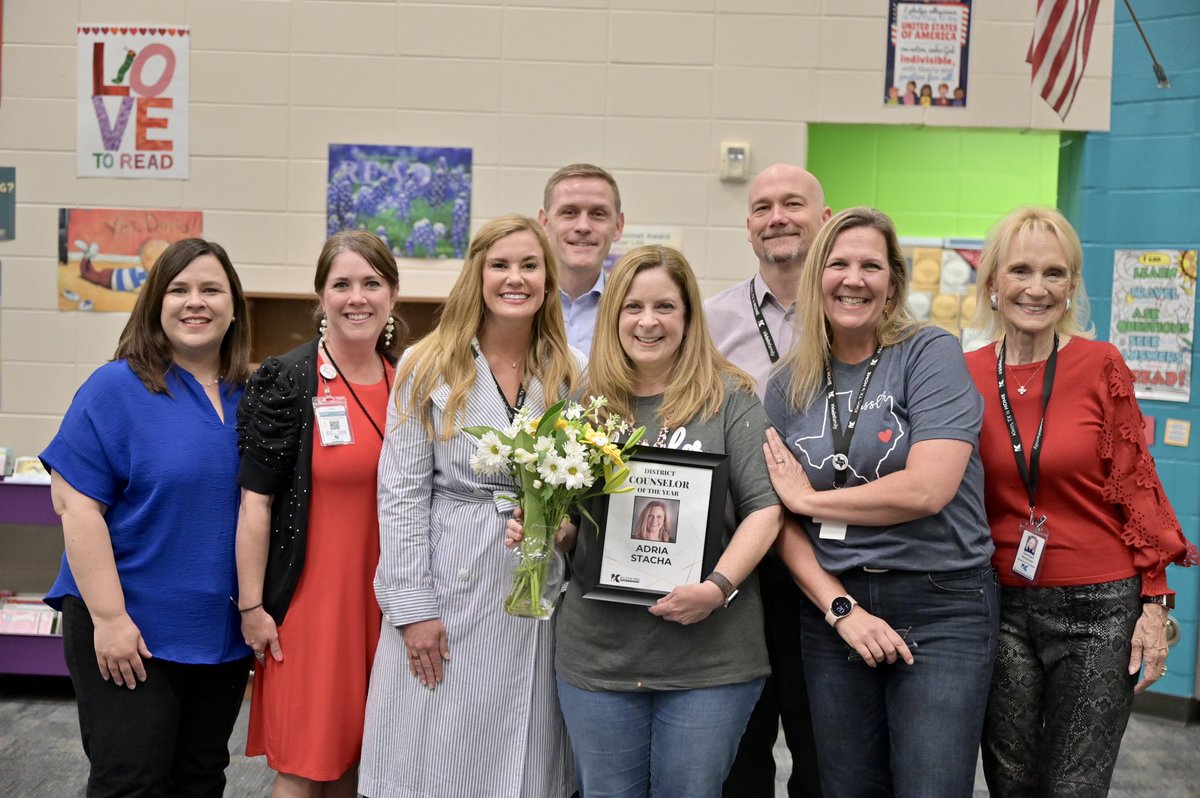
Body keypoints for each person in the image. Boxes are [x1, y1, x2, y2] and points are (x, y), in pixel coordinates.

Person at [762, 207, 998, 797]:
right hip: (834, 609)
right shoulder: (789, 383)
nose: (853, 278)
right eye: (838, 263)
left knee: (930, 786)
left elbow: (928, 488)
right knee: (844, 787)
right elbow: (779, 522)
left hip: (940, 603)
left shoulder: (928, 353)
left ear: (893, 281)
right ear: (817, 276)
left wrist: (809, 500)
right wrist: (840, 610)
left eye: (871, 265)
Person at [964, 206, 1198, 796]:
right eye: (1020, 270)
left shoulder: (1099, 364)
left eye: (1055, 273)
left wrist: (1154, 603)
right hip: (1000, 605)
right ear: (993, 281)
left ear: (1072, 287)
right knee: (1009, 781)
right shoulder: (960, 373)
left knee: (1072, 785)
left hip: (1099, 608)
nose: (1037, 288)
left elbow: (1138, 487)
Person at [358, 214, 581, 798]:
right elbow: (402, 493)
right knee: (438, 740)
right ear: (476, 276)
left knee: (525, 740)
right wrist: (412, 608)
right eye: (501, 265)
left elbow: (582, 488)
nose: (516, 278)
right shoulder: (427, 365)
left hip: (533, 587)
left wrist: (563, 527)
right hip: (448, 581)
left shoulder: (566, 370)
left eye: (530, 265)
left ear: (547, 279)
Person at [548, 244, 783, 797]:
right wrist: (548, 530)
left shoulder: (730, 400)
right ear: (613, 317)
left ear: (688, 317)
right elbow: (575, 529)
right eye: (632, 307)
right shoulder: (586, 407)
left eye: (665, 307)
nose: (648, 321)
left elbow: (765, 510)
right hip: (599, 659)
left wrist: (716, 588)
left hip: (709, 659)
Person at [41, 238, 253, 797]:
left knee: (201, 779)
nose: (195, 302)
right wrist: (110, 619)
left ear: (234, 306)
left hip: (219, 634)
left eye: (211, 289)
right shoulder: (116, 388)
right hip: (129, 629)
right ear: (156, 303)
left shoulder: (252, 396)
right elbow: (77, 507)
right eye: (179, 289)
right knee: (131, 782)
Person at [235, 230, 400, 797]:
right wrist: (253, 606)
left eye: (371, 283)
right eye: (342, 284)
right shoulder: (287, 380)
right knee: (304, 765)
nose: (357, 297)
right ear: (321, 298)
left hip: (385, 610)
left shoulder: (408, 383)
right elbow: (255, 503)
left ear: (393, 296)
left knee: (360, 763)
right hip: (308, 611)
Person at [705, 163, 831, 798]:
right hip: (742, 561)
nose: (777, 217)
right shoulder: (707, 322)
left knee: (823, 749)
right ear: (749, 227)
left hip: (836, 556)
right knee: (741, 750)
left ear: (825, 220)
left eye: (793, 203)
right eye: (762, 207)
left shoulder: (857, 316)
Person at [539, 163, 625, 355]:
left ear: (618, 226)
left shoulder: (632, 308)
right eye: (569, 212)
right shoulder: (516, 304)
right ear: (545, 223)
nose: (583, 226)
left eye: (598, 214)